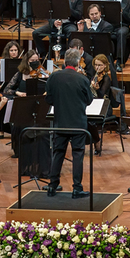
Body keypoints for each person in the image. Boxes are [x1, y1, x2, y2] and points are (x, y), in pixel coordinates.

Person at [46, 49, 94, 198]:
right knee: (78, 155)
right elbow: (89, 100)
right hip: (78, 123)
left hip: (60, 122)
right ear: (78, 62)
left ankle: (52, 186)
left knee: (58, 153)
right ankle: (77, 188)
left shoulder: (53, 77)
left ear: (64, 61)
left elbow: (49, 100)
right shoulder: (82, 79)